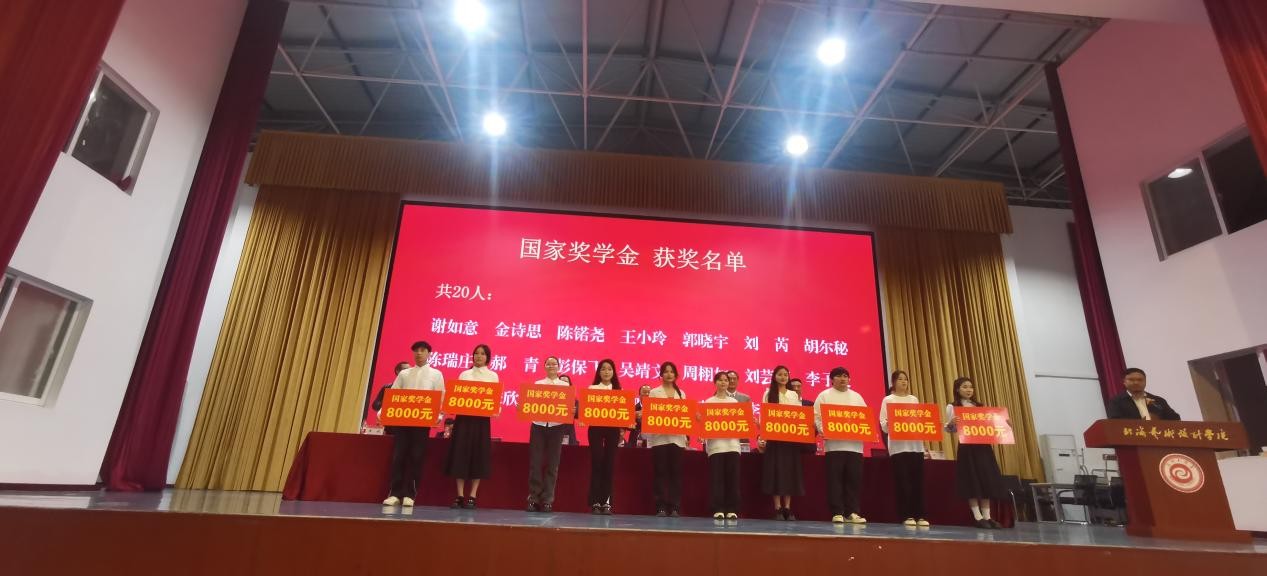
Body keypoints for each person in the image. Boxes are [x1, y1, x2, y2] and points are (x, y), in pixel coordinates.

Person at [383, 341, 445, 507]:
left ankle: (410, 494)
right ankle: (395, 493)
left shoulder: (436, 374)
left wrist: (439, 415)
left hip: (422, 422)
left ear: (429, 354)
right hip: (403, 421)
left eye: (422, 350)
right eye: (416, 350)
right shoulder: (404, 374)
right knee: (399, 456)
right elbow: (393, 395)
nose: (419, 353)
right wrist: (384, 412)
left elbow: (440, 397)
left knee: (416, 457)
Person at [945, 377, 1006, 529]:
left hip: (983, 446)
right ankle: (977, 517)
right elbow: (950, 430)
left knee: (986, 479)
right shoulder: (953, 406)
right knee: (971, 480)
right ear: (957, 389)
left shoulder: (979, 406)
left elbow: (990, 425)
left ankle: (987, 516)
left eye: (970, 387)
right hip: (967, 447)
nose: (969, 390)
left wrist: (1004, 423)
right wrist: (951, 424)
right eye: (965, 387)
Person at [445, 344, 498, 510]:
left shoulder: (492, 376)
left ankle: (473, 496)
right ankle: (460, 495)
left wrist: (494, 409)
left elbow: (495, 399)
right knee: (460, 455)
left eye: (482, 354)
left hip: (481, 421)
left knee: (478, 456)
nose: (479, 356)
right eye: (476, 353)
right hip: (463, 420)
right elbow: (456, 396)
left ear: (487, 357)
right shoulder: (464, 374)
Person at [813, 367, 868, 525]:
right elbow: (816, 417)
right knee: (835, 481)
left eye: (845, 376)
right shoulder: (824, 395)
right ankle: (837, 512)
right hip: (834, 446)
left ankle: (852, 512)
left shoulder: (857, 397)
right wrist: (824, 431)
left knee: (853, 481)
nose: (843, 379)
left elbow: (865, 418)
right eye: (839, 376)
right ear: (832, 379)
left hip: (855, 447)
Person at [879, 370, 929, 527]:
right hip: (898, 447)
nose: (903, 382)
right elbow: (883, 424)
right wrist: (891, 422)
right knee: (903, 483)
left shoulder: (913, 399)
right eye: (900, 379)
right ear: (893, 382)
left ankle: (920, 515)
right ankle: (906, 515)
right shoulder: (888, 399)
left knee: (917, 483)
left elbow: (919, 421)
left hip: (916, 446)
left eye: (905, 379)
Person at [761, 365, 804, 520]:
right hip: (775, 439)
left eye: (785, 374)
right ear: (774, 376)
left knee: (790, 473)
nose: (783, 377)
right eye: (780, 374)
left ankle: (788, 507)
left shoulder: (793, 394)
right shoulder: (769, 393)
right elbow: (765, 416)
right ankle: (778, 508)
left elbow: (799, 415)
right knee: (776, 472)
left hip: (790, 439)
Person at [526, 356, 569, 512]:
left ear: (558, 367)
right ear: (544, 366)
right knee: (535, 463)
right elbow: (531, 404)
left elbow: (568, 406)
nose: (551, 366)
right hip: (538, 425)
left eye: (554, 364)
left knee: (552, 465)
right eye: (548, 364)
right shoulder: (538, 384)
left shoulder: (565, 386)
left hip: (557, 427)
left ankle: (547, 500)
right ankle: (533, 498)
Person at [647, 361, 687, 517]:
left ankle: (675, 506)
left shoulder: (681, 393)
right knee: (660, 472)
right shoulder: (654, 392)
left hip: (677, 439)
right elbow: (651, 414)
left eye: (672, 371)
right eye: (666, 371)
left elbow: (684, 414)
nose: (669, 374)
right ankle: (661, 506)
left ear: (676, 375)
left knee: (675, 473)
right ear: (661, 375)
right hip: (660, 439)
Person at [703, 371, 741, 520]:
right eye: (720, 380)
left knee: (732, 479)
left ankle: (732, 509)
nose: (724, 382)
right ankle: (718, 508)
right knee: (717, 479)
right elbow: (705, 424)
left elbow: (739, 423)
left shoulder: (734, 403)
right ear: (715, 383)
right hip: (716, 446)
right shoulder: (709, 402)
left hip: (732, 445)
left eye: (726, 380)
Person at [587, 359, 623, 515]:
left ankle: (606, 502)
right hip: (595, 429)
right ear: (599, 372)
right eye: (603, 369)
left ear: (613, 372)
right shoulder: (592, 389)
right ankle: (595, 501)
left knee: (609, 465)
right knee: (597, 463)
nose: (606, 372)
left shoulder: (619, 391)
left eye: (609, 369)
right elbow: (587, 411)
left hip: (613, 430)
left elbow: (623, 414)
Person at [1106, 368, 1181, 421]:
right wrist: (1140, 423)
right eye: (1131, 380)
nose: (1136, 382)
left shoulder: (1158, 400)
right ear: (1124, 382)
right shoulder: (1116, 401)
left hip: (1159, 436)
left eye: (1140, 380)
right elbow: (1115, 422)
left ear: (1145, 381)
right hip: (1133, 437)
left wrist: (1158, 420)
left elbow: (1175, 419)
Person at [371, 362, 412, 431]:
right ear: (398, 371)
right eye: (405, 369)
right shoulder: (387, 387)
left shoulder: (415, 388)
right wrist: (389, 402)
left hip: (408, 427)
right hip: (390, 426)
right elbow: (375, 406)